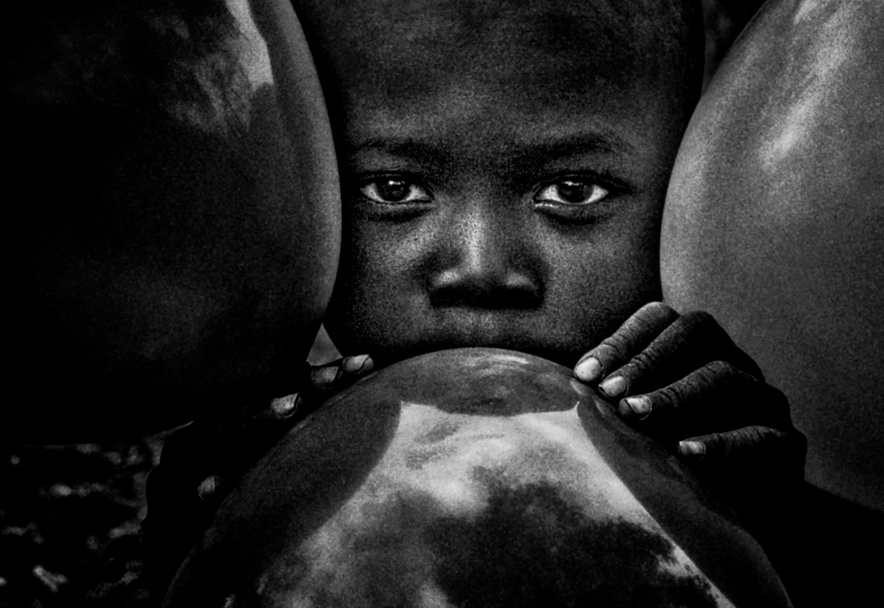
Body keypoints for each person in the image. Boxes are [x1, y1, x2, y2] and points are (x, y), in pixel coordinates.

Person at [81, 0, 804, 604]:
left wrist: (787, 534)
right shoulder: (269, 458)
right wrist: (197, 552)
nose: (482, 269)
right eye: (394, 189)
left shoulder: (714, 430)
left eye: (573, 190)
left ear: (687, 182)